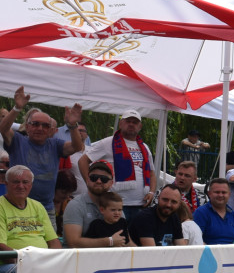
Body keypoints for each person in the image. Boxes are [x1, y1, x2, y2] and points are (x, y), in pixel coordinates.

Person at [2, 87, 85, 224]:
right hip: (16, 207)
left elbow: (77, 147)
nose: (40, 128)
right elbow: (3, 129)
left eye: (45, 125)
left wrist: (72, 125)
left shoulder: (55, 145)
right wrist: (17, 108)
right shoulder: (18, 141)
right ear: (27, 127)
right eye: (35, 124)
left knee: (51, 245)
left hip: (45, 208)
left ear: (51, 130)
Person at [80, 109, 155, 222]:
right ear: (121, 123)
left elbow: (152, 173)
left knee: (135, 239)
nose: (131, 124)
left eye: (135, 122)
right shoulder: (108, 142)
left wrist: (151, 192)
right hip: (114, 206)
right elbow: (83, 161)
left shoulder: (144, 147)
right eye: (128, 121)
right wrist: (90, 182)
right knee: (116, 238)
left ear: (140, 126)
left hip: (141, 205)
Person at [64, 160, 129, 248]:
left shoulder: (115, 204)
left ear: (111, 183)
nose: (98, 181)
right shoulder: (75, 205)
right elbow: (73, 243)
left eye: (104, 179)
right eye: (94, 177)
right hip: (81, 258)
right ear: (87, 179)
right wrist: (109, 241)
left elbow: (126, 241)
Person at [192, 178, 234, 245]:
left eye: (224, 192)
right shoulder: (200, 213)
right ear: (209, 194)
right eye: (217, 192)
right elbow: (196, 240)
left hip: (230, 254)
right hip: (207, 254)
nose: (220, 195)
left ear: (229, 194)